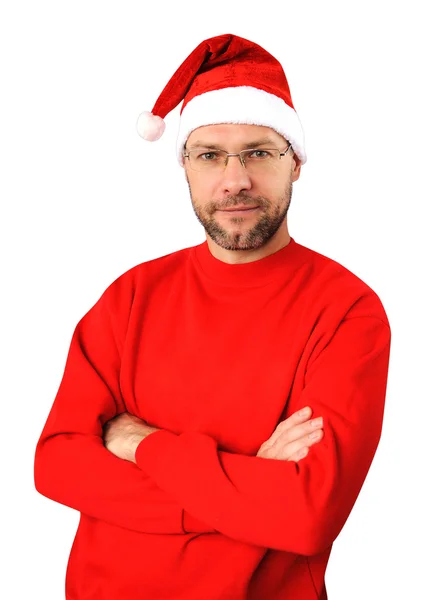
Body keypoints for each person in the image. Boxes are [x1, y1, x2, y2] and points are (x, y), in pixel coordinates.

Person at [34, 33, 392, 600]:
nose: (235, 179)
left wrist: (141, 444)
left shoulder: (347, 311)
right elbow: (57, 464)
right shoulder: (130, 296)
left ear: (295, 163)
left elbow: (304, 514)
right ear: (184, 166)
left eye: (258, 152)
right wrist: (247, 483)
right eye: (210, 155)